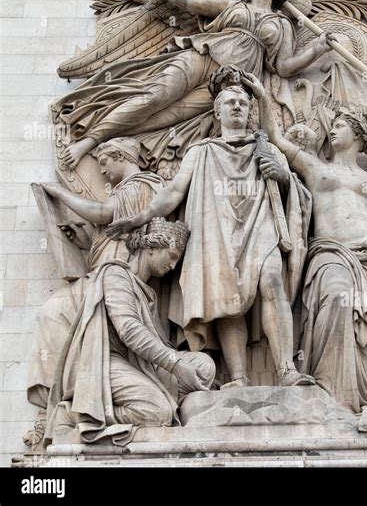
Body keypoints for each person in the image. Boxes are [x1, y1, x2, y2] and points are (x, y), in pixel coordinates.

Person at [106, 68, 314, 388]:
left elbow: (297, 193)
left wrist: (284, 178)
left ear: (251, 110)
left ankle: (286, 369)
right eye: (230, 102)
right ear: (217, 111)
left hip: (261, 221)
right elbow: (175, 191)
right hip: (218, 227)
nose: (237, 108)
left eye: (243, 103)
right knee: (226, 297)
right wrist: (139, 217)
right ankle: (239, 377)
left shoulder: (266, 148)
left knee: (272, 279)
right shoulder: (201, 151)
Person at [54, 0, 335, 168]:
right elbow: (185, 1)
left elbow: (284, 67)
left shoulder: (282, 24)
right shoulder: (232, 5)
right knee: (155, 97)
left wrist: (316, 49)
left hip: (228, 84)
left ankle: (108, 141)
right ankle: (87, 141)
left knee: (167, 117)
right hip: (201, 56)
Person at [250, 70, 367, 412]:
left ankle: (361, 399)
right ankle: (330, 394)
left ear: (357, 135)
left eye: (340, 125)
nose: (333, 130)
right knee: (335, 300)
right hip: (331, 253)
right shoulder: (313, 167)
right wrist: (263, 97)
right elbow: (275, 137)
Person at [45, 218, 215, 446]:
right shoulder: (115, 275)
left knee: (205, 365)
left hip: (139, 365)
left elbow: (151, 343)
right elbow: (130, 331)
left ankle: (161, 397)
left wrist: (178, 362)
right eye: (172, 256)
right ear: (152, 248)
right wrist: (175, 363)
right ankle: (77, 414)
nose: (173, 266)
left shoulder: (146, 292)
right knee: (158, 411)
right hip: (105, 363)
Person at [27, 138, 165, 410]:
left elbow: (103, 213)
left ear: (121, 156)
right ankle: (75, 391)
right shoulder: (128, 189)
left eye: (104, 162)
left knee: (57, 313)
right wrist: (84, 240)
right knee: (56, 313)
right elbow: (111, 235)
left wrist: (60, 193)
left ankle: (78, 393)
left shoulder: (139, 185)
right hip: (108, 273)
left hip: (117, 279)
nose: (102, 170)